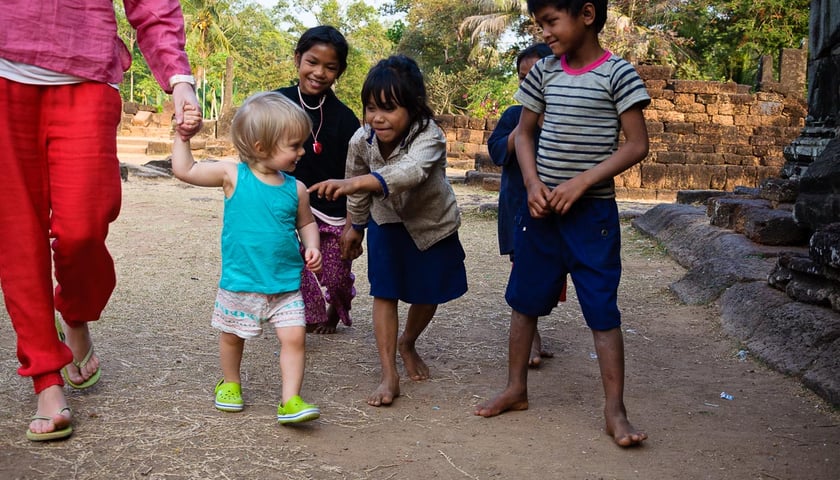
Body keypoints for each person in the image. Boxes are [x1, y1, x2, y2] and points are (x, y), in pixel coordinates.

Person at [0, 0, 202, 441]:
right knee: (17, 236)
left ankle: (75, 311)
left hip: (86, 73)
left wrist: (179, 79)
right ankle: (46, 378)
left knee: (85, 227)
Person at [474, 0, 651, 448]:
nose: (545, 33)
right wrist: (532, 184)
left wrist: (581, 184)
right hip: (542, 212)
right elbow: (525, 133)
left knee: (601, 309)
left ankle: (615, 410)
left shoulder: (618, 74)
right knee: (525, 300)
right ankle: (516, 388)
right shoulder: (543, 72)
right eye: (540, 24)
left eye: (551, 22)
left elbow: (636, 145)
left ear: (587, 14)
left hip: (592, 216)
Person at [309, 55, 468, 407]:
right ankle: (388, 373)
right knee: (385, 292)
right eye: (370, 108)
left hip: (432, 225)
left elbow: (408, 172)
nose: (377, 118)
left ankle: (407, 341)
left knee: (429, 294)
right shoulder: (360, 140)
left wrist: (354, 184)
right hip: (386, 224)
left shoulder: (430, 136)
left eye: (389, 108)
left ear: (412, 107)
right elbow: (358, 189)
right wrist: (355, 227)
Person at [171, 93, 323, 424]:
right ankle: (230, 383)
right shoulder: (232, 175)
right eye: (294, 145)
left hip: (284, 285)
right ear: (260, 145)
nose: (301, 152)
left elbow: (306, 222)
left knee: (295, 338)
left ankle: (290, 400)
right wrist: (182, 137)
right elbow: (186, 170)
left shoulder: (295, 188)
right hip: (241, 282)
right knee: (232, 336)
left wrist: (312, 246)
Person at [274, 26, 361, 335]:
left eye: (330, 67)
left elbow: (356, 175)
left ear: (340, 72)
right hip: (284, 209)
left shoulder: (347, 119)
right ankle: (298, 319)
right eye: (312, 62)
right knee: (297, 272)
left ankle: (335, 309)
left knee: (336, 276)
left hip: (332, 213)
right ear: (298, 58)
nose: (319, 72)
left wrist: (354, 226)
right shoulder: (275, 104)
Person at [487, 43, 561, 368]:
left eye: (537, 77)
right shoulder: (513, 116)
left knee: (550, 276)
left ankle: (535, 332)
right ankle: (531, 339)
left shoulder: (565, 119)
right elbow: (496, 151)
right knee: (523, 273)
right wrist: (523, 128)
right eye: (522, 78)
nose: (529, 84)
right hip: (520, 209)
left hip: (558, 210)